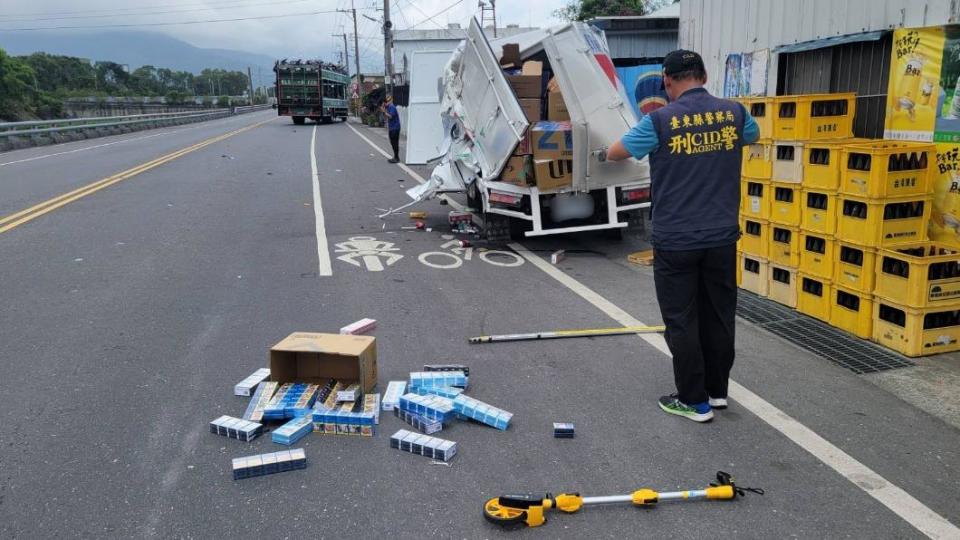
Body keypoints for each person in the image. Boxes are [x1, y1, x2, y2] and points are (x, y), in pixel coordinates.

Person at [603, 50, 760, 423]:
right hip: (722, 236)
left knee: (682, 319)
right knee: (719, 315)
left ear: (668, 82)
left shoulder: (658, 120)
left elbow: (615, 153)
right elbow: (752, 135)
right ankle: (717, 391)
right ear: (704, 75)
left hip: (676, 239)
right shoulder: (734, 114)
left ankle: (693, 400)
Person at [380, 95, 401, 163]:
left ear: (384, 103)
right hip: (392, 128)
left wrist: (384, 112)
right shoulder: (388, 107)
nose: (382, 105)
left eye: (382, 104)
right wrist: (384, 111)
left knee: (395, 143)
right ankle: (395, 157)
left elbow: (391, 116)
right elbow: (386, 118)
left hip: (395, 128)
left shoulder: (391, 107)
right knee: (392, 142)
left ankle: (397, 158)